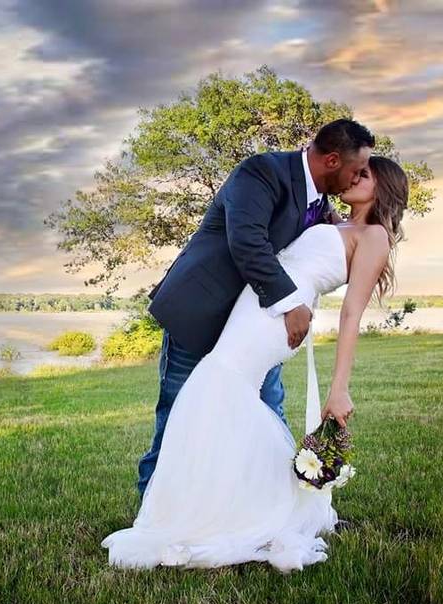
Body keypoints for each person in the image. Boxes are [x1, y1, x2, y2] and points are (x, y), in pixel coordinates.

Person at [102, 155, 408, 572]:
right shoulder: (336, 220)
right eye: (356, 169)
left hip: (281, 316)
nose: (355, 177)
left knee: (219, 383)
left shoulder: (374, 236)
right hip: (260, 303)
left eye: (366, 175)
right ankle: (232, 504)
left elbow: (351, 313)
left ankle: (229, 510)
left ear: (383, 188)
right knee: (223, 392)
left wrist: (340, 388)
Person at [137, 119, 375, 502]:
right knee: (178, 412)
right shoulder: (262, 171)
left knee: (268, 412)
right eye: (357, 169)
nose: (359, 176)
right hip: (200, 313)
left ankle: (281, 511)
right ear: (332, 160)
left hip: (254, 327)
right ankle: (151, 511)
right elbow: (247, 241)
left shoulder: (322, 204)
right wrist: (291, 304)